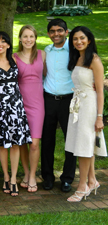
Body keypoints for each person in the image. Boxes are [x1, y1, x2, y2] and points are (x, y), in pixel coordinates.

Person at [0, 31, 32, 197]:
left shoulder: (15, 60)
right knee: (3, 144)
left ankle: (13, 178)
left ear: (9, 45)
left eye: (3, 41)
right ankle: (5, 176)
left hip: (15, 106)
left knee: (15, 144)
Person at [65, 26, 107, 202]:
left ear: (89, 40)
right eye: (75, 39)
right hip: (77, 106)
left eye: (82, 38)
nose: (79, 41)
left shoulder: (94, 60)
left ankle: (82, 187)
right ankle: (92, 180)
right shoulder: (78, 58)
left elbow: (100, 91)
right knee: (83, 144)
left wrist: (99, 117)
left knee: (83, 147)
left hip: (89, 106)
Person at [41, 18, 77, 192]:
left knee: (70, 140)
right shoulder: (46, 51)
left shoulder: (74, 49)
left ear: (66, 31)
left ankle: (67, 178)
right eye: (53, 31)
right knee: (47, 140)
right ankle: (47, 177)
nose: (56, 34)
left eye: (59, 30)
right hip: (48, 100)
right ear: (49, 34)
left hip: (69, 100)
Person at [13, 25, 45, 193]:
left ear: (35, 38)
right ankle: (26, 173)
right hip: (19, 103)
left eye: (31, 36)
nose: (28, 39)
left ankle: (32, 175)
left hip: (38, 103)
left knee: (34, 143)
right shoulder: (14, 57)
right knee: (22, 142)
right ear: (20, 38)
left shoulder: (42, 55)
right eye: (25, 36)